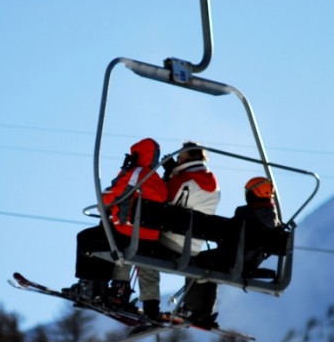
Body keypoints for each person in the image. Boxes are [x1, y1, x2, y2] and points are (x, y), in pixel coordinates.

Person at [65, 138, 167, 307]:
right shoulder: (160, 182)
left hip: (128, 234)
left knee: (86, 238)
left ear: (137, 154)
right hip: (150, 239)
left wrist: (109, 195)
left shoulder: (135, 173)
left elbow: (110, 198)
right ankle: (99, 287)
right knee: (104, 237)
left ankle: (89, 286)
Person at [138, 141, 221, 323]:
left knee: (140, 251)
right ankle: (198, 310)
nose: (177, 160)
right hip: (193, 247)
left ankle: (149, 308)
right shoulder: (214, 185)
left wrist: (170, 175)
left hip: (170, 243)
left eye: (180, 157)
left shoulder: (181, 181)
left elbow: (160, 202)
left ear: (189, 158)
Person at [185, 176, 282, 326]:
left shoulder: (245, 215)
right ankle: (204, 312)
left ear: (252, 194)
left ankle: (193, 309)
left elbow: (227, 236)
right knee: (209, 264)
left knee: (198, 261)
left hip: (233, 260)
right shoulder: (274, 222)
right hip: (250, 263)